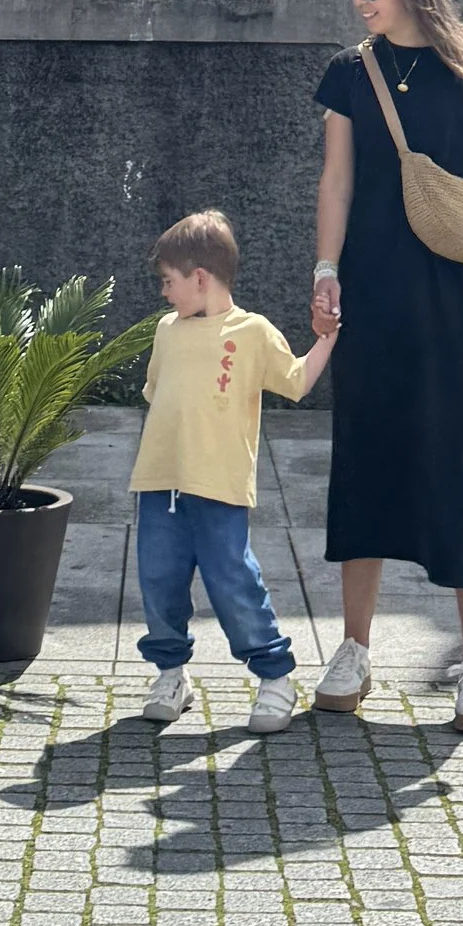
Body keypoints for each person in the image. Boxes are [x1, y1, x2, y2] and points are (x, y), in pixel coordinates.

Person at [309, 0, 463, 738]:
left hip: (451, 298)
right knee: (363, 458)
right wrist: (325, 269)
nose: (358, 0)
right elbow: (337, 179)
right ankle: (354, 649)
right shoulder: (349, 73)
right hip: (371, 292)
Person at [130, 209, 335, 732]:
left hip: (219, 488)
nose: (164, 293)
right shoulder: (166, 331)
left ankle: (275, 678)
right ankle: (171, 676)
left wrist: (327, 339)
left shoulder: (253, 332)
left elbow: (295, 381)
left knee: (234, 582)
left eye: (169, 282)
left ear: (200, 278)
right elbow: (160, 395)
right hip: (159, 484)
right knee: (158, 580)